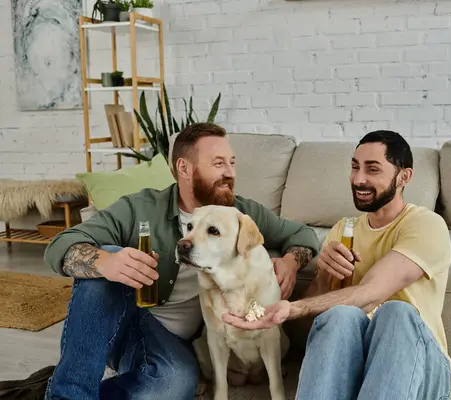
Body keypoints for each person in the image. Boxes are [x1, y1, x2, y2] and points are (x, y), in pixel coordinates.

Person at [42, 123, 320, 400]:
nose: (230, 173)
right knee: (105, 258)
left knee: (177, 385)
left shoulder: (241, 213)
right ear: (184, 168)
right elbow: (61, 245)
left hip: (170, 342)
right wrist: (106, 261)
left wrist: (291, 261)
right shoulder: (139, 208)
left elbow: (302, 234)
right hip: (125, 321)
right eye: (219, 163)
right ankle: (67, 395)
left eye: (232, 163)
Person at [223, 130, 451, 400]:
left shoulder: (426, 224)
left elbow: (372, 292)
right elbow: (311, 330)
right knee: (338, 315)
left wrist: (292, 308)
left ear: (403, 177)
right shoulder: (343, 230)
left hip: (417, 368)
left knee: (396, 313)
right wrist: (323, 277)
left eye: (372, 169)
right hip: (357, 370)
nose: (358, 179)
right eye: (354, 167)